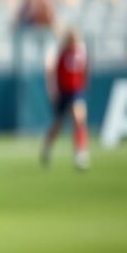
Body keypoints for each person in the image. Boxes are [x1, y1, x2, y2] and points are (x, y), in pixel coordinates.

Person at [41, 29, 90, 169]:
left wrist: (84, 84)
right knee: (58, 125)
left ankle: (80, 153)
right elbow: (50, 70)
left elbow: (85, 69)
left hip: (76, 91)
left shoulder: (81, 51)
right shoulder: (59, 52)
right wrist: (52, 90)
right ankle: (47, 146)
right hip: (63, 91)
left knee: (79, 119)